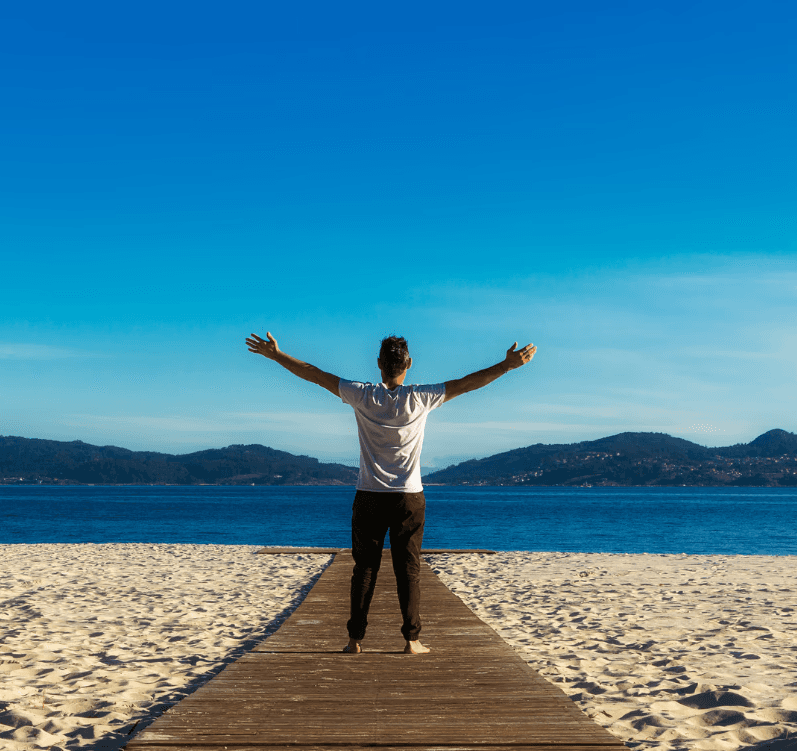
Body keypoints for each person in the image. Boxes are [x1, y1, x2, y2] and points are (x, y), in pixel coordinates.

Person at [245, 331, 537, 655]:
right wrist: (507, 366)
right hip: (409, 497)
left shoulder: (362, 394)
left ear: (379, 364)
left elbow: (314, 374)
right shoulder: (421, 397)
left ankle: (355, 640)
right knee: (408, 568)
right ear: (408, 364)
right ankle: (412, 640)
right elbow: (468, 383)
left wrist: (276, 355)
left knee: (365, 568)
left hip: (369, 494)